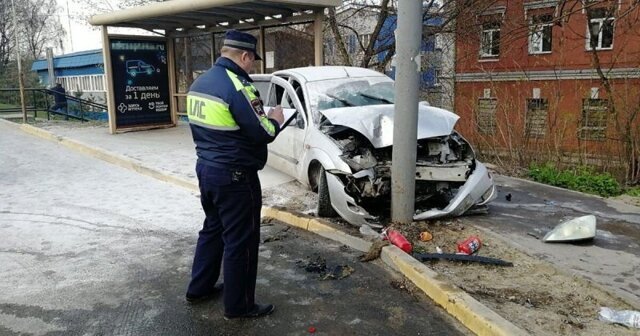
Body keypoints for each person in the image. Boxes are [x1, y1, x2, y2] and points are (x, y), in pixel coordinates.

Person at [185, 29, 284, 320]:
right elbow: (262, 132)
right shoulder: (238, 86)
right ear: (244, 56)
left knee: (212, 230)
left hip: (207, 170)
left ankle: (199, 288)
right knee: (241, 240)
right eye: (252, 59)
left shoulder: (200, 83)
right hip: (236, 177)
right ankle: (239, 306)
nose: (252, 65)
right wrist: (275, 120)